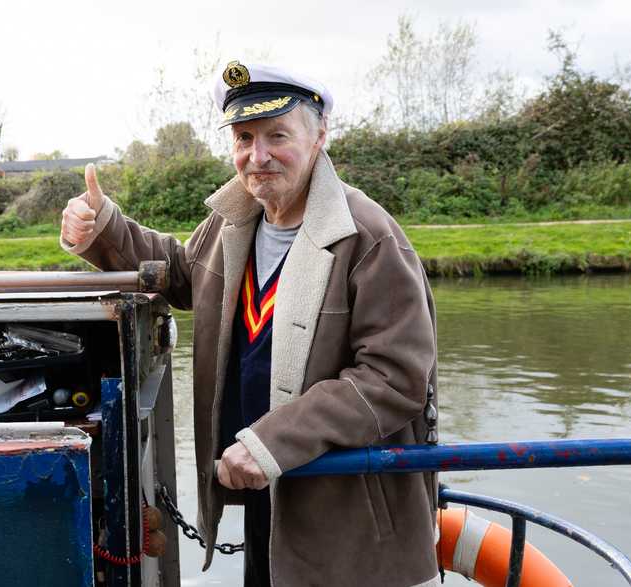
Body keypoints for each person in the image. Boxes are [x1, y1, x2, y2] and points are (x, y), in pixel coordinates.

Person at [61, 61, 440, 587]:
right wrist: (103, 227)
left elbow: (394, 378)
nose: (257, 156)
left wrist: (274, 441)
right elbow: (180, 274)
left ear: (319, 136)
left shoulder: (370, 236)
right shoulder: (233, 219)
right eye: (243, 138)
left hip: (343, 503)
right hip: (265, 488)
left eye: (276, 136)